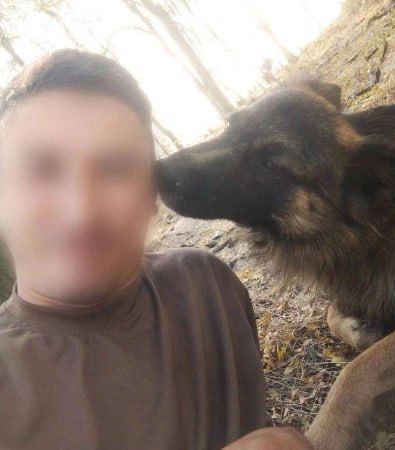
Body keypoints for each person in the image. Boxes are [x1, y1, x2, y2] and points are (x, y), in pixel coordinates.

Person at [0, 49, 312, 450]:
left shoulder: (207, 287)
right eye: (41, 170)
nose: (82, 212)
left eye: (116, 169)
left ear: (152, 196)